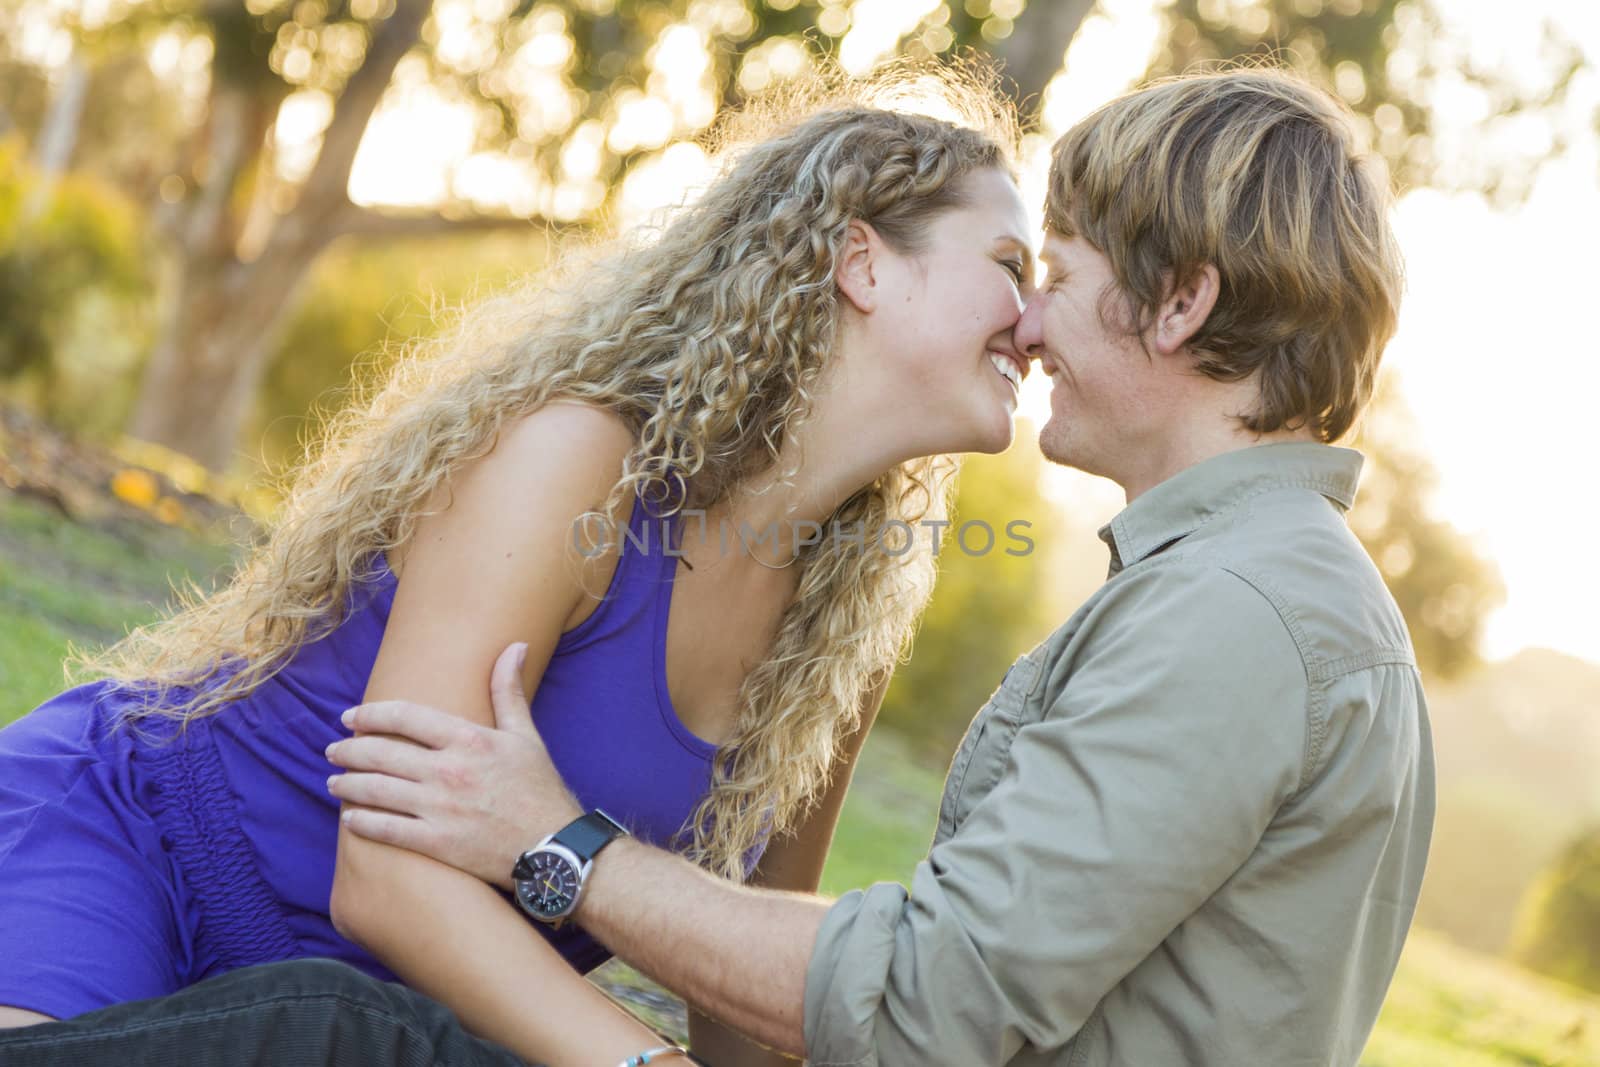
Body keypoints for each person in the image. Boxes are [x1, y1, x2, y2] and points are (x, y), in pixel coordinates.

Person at [321, 67, 1436, 1066]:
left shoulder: (1233, 610)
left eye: (1052, 271)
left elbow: (932, 996)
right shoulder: (1246, 591)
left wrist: (564, 845)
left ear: (1181, 302)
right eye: (1014, 270)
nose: (1030, 326)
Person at [0, 67, 1038, 1067]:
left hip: (375, 1018)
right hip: (136, 857)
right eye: (1009, 266)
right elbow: (388, 876)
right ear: (861, 263)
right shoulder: (582, 461)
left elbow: (737, 981)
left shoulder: (834, 624)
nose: (1033, 325)